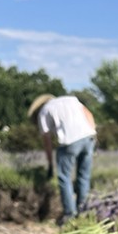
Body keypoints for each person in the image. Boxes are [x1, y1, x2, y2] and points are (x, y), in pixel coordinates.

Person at [27, 94, 96, 223]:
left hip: (70, 142)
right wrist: (93, 134)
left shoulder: (45, 110)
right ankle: (84, 211)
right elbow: (89, 115)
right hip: (89, 137)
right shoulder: (72, 100)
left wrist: (50, 163)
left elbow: (47, 140)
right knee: (84, 176)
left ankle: (70, 214)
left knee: (64, 178)